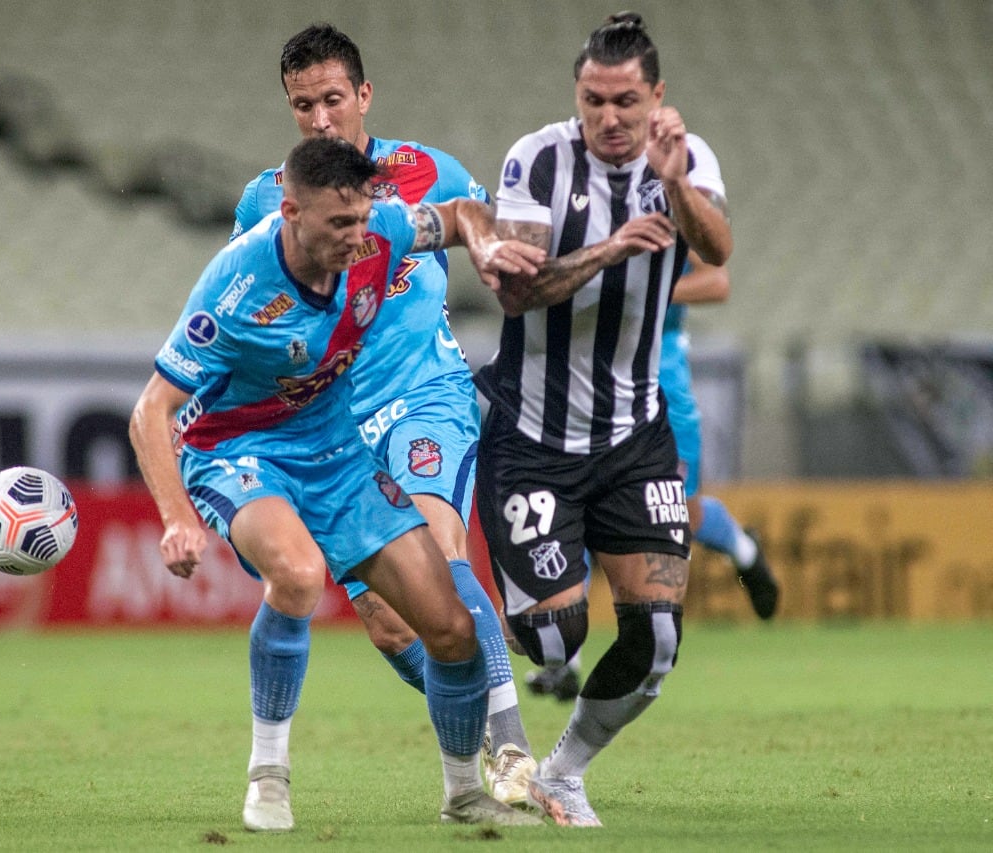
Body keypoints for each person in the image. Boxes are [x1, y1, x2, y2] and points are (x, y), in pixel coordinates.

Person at [130, 136, 545, 831]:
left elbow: (462, 212)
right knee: (297, 572)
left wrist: (487, 244)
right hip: (239, 448)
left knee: (448, 625)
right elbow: (151, 411)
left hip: (335, 446)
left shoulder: (379, 225)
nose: (356, 240)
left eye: (361, 222)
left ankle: (463, 791)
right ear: (290, 211)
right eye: (337, 226)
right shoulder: (237, 284)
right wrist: (177, 518)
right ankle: (268, 777)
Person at [230, 23, 538, 807]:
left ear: (364, 95)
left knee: (440, 551)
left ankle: (514, 749)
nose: (322, 118)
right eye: (305, 105)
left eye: (334, 98)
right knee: (392, 622)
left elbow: (493, 231)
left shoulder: (425, 171)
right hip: (337, 429)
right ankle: (468, 723)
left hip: (424, 397)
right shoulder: (266, 201)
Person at [474, 12, 732, 827]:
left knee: (656, 639)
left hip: (634, 436)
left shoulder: (685, 158)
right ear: (576, 96)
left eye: (626, 100)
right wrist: (612, 249)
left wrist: (676, 180)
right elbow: (517, 291)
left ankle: (563, 770)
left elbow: (718, 252)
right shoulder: (536, 159)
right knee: (553, 642)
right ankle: (473, 656)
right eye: (594, 100)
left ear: (657, 96)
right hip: (533, 438)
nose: (610, 118)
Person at [524, 252, 781, 702]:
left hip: (662, 385)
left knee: (680, 512)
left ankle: (744, 548)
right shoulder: (582, 201)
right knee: (578, 508)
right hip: (593, 384)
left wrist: (646, 291)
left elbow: (716, 282)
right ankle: (566, 661)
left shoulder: (667, 209)